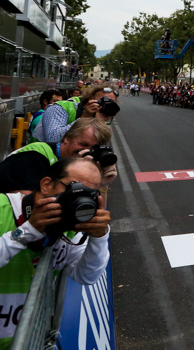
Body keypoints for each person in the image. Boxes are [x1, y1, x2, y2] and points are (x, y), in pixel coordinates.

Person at [0, 157, 111, 348]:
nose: (78, 199)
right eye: (73, 188)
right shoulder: (3, 208)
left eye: (88, 194)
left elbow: (87, 276)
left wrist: (99, 237)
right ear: (46, 185)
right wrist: (27, 231)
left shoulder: (69, 227)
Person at [0, 118, 116, 195]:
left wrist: (101, 184)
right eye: (83, 145)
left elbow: (95, 217)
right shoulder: (35, 155)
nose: (87, 151)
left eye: (93, 149)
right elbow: (27, 208)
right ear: (66, 138)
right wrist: (76, 170)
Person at [35, 84, 120, 143]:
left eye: (111, 102)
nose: (106, 105)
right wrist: (85, 118)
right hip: (40, 158)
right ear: (90, 98)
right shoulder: (61, 108)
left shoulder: (102, 117)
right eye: (103, 100)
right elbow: (53, 139)